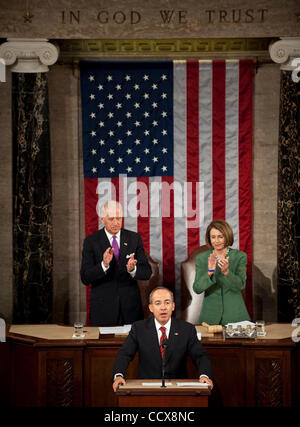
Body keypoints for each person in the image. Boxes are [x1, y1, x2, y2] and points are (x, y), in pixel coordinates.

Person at [112, 286, 213, 392]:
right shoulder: (139, 328)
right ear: (151, 308)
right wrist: (118, 375)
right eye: (158, 303)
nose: (163, 307)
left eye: (167, 302)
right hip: (146, 389)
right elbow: (124, 354)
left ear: (173, 306)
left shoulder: (186, 329)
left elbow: (200, 356)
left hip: (177, 390)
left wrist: (204, 376)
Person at [80, 200, 152, 326]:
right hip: (103, 309)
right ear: (102, 219)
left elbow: (147, 272)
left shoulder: (134, 239)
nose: (115, 223)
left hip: (131, 309)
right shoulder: (91, 242)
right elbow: (85, 277)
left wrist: (132, 270)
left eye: (118, 218)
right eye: (111, 219)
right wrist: (104, 265)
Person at [193, 219, 250, 325]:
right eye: (213, 237)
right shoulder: (202, 258)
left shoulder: (239, 256)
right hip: (210, 316)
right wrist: (209, 272)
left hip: (234, 315)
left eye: (220, 236)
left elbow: (241, 285)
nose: (216, 241)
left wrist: (227, 272)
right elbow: (197, 288)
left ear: (227, 236)